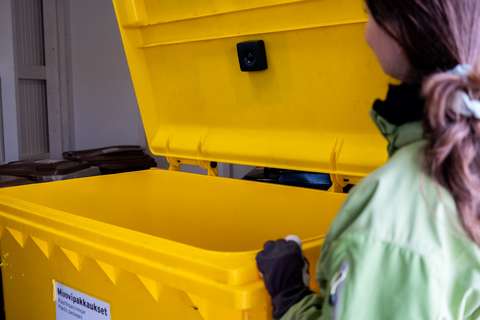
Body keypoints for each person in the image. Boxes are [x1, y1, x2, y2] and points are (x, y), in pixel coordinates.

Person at [256, 1, 480, 319]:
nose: (365, 34)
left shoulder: (389, 220)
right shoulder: (462, 154)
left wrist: (290, 297)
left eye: (369, 14)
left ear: (404, 30)